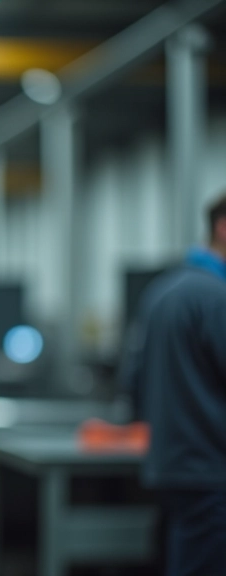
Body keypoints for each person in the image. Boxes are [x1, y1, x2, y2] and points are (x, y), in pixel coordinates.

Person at [120, 193, 226, 576]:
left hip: (171, 463)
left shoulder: (163, 291)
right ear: (223, 227)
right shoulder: (215, 296)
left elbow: (132, 379)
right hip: (211, 467)